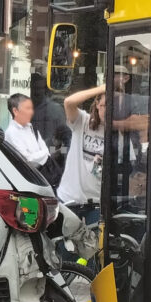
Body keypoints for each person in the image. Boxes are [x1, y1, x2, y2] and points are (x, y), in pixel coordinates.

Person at [57, 83, 106, 219]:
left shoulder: (118, 132)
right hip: (69, 198)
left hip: (96, 201)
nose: (107, 111)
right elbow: (69, 102)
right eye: (104, 105)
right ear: (97, 104)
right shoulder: (83, 120)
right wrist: (101, 89)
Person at [4, 93, 50, 168]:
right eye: (28, 108)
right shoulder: (11, 133)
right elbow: (27, 161)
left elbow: (47, 153)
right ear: (15, 111)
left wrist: (40, 155)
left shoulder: (32, 128)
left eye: (32, 108)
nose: (31, 112)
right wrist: (43, 154)